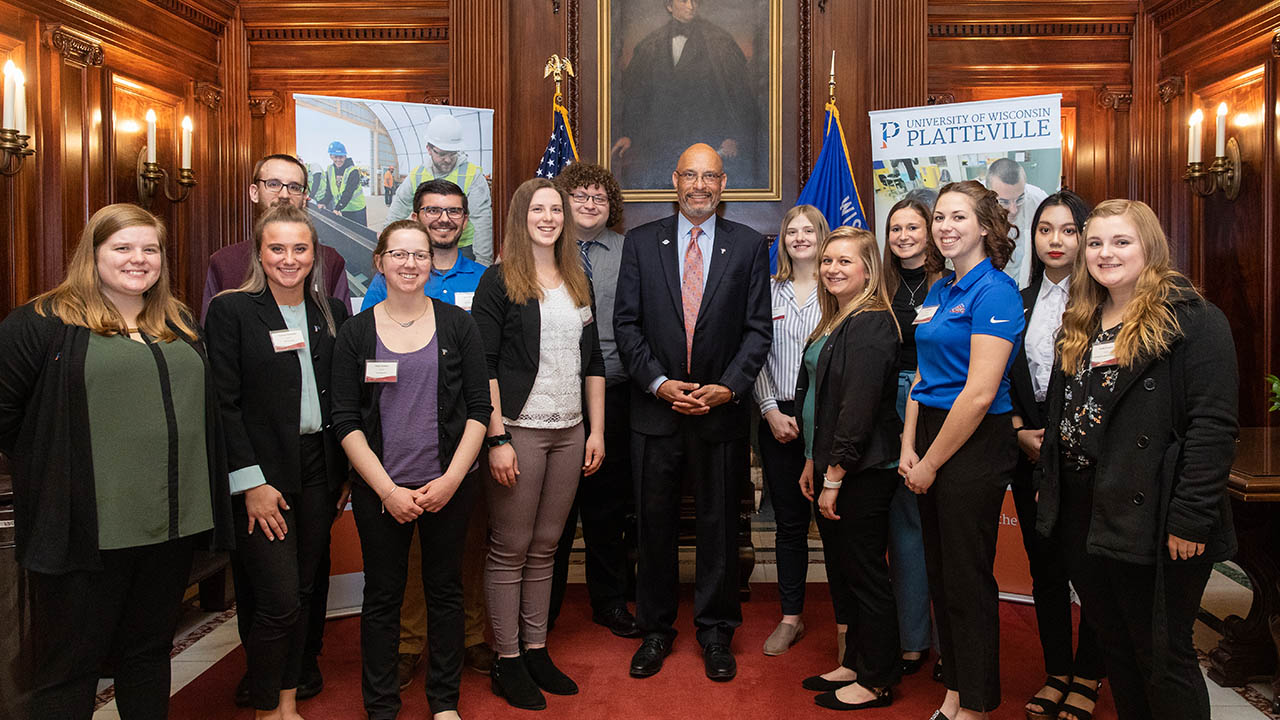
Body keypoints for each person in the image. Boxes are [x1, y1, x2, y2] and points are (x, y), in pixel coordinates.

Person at [0, 204, 233, 719]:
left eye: (150, 249)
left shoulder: (178, 320)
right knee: (69, 667)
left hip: (170, 528)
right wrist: (56, 471)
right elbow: (9, 416)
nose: (138, 259)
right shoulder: (43, 323)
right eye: (122, 248)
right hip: (88, 533)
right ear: (93, 252)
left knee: (148, 654)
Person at [1037, 199, 1238, 720]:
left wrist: (1191, 518)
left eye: (1121, 241)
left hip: (1156, 514)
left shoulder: (1194, 320)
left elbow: (1212, 429)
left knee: (1163, 654)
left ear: (1150, 246)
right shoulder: (1081, 319)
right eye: (1097, 242)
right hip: (1085, 508)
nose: (1106, 253)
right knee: (1114, 643)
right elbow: (1062, 413)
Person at [615, 143, 772, 682]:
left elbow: (758, 331)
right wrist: (659, 384)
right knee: (652, 525)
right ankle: (654, 630)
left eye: (710, 176)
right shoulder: (640, 243)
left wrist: (727, 388)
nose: (699, 185)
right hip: (654, 413)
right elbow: (627, 326)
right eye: (690, 175)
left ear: (723, 182)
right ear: (674, 180)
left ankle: (716, 631)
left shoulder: (750, 246)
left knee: (720, 525)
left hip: (719, 413)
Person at [200, 152, 349, 707]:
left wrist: (343, 473)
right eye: (277, 249)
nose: (290, 259)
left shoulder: (325, 315)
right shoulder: (232, 311)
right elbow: (224, 405)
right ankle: (266, 704)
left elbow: (339, 397)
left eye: (300, 249)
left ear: (316, 256)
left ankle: (287, 698)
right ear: (259, 254)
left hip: (318, 468)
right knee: (279, 598)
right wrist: (251, 482)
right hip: (263, 472)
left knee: (307, 590)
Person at [330, 219, 491, 720]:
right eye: (398, 254)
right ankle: (381, 704)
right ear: (379, 261)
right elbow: (345, 418)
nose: (409, 263)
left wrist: (451, 481)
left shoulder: (458, 324)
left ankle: (444, 703)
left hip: (447, 485)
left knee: (446, 593)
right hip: (382, 492)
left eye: (419, 254)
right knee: (383, 598)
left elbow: (478, 408)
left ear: (432, 261)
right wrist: (384, 490)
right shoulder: (356, 331)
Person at [471, 178, 606, 711]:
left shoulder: (578, 279)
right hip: (519, 430)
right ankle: (506, 660)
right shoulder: (498, 279)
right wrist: (497, 435)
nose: (548, 217)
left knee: (548, 546)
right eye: (538, 209)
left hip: (571, 429)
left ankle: (535, 649)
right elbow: (482, 364)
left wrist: (596, 430)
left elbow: (592, 361)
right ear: (520, 216)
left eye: (556, 209)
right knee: (510, 547)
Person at [900, 180, 1024, 720]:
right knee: (940, 571)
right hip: (927, 432)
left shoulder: (995, 291)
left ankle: (975, 703)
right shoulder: (938, 289)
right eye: (940, 218)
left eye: (958, 217)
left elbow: (978, 394)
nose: (945, 227)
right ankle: (954, 689)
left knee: (967, 577)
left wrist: (929, 463)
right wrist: (909, 445)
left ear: (984, 226)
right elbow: (923, 375)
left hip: (971, 441)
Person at [796, 226, 903, 711]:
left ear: (868, 270)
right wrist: (812, 462)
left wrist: (834, 477)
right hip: (828, 463)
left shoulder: (872, 322)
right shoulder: (835, 319)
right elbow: (821, 398)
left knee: (865, 574)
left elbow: (856, 411)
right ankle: (856, 661)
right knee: (843, 571)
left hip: (860, 471)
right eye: (827, 261)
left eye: (845, 261)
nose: (833, 269)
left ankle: (879, 677)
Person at [1007, 191, 1104, 720]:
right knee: (1044, 568)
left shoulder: (1106, 302)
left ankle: (1089, 674)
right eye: (1046, 229)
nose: (1056, 241)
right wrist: (1019, 430)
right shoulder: (1017, 300)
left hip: (1087, 456)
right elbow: (1000, 375)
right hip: (1029, 450)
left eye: (1068, 230)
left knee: (1089, 570)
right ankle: (1057, 672)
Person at [547, 163, 640, 638]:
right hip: (554, 391)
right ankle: (543, 609)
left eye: (598, 198)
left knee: (606, 508)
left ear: (611, 207)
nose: (588, 204)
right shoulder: (543, 252)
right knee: (553, 513)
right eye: (579, 195)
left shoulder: (631, 252)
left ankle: (610, 602)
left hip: (616, 393)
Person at [752, 204, 826, 656]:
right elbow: (754, 352)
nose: (799, 238)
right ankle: (791, 616)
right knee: (789, 524)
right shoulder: (768, 291)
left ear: (823, 236)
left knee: (839, 522)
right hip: (776, 415)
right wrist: (768, 411)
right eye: (791, 231)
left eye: (808, 231)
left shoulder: (841, 287)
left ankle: (848, 620)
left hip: (829, 418)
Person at [881, 195, 943, 678]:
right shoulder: (879, 282)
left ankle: (950, 640)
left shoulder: (951, 282)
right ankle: (912, 637)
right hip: (883, 404)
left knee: (941, 525)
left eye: (913, 227)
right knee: (902, 524)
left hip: (937, 404)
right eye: (895, 228)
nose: (903, 236)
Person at [610, 0, 762, 189]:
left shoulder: (720, 43)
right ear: (669, 6)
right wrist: (628, 134)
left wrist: (734, 137)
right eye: (684, 1)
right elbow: (635, 99)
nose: (691, 6)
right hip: (658, 146)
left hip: (707, 143)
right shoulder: (649, 46)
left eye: (695, 1)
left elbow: (740, 98)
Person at [202, 153, 350, 321]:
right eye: (273, 184)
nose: (284, 195)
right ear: (254, 192)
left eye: (294, 187)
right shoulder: (224, 262)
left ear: (304, 198)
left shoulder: (330, 261)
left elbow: (342, 336)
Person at [386, 115, 494, 265]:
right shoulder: (417, 175)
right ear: (429, 149)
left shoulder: (472, 175)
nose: (448, 159)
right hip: (426, 247)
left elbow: (482, 220)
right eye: (442, 154)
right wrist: (387, 242)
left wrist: (483, 261)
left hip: (463, 248)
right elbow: (398, 209)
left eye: (453, 153)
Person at [984, 158, 1049, 290]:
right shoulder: (976, 203)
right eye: (1004, 202)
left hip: (1026, 280)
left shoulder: (1038, 200)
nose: (1013, 210)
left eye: (1019, 199)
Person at [314, 141, 368, 226]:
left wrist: (337, 208)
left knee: (361, 235)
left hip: (356, 209)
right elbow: (329, 191)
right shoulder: (330, 169)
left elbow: (348, 192)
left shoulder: (353, 171)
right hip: (343, 209)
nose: (338, 160)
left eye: (341, 157)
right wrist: (323, 202)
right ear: (331, 156)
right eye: (335, 157)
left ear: (345, 156)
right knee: (348, 233)